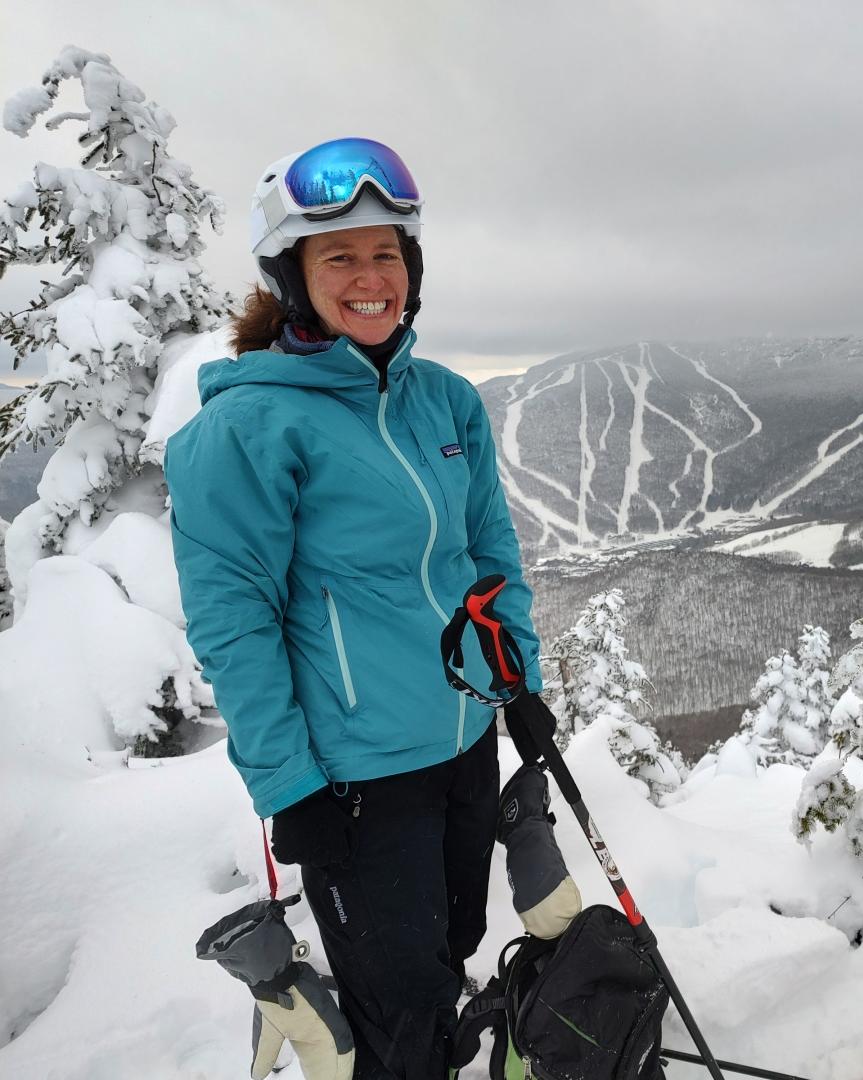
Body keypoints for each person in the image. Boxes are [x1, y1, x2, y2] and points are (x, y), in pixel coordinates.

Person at [165, 137, 546, 1079]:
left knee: (451, 946)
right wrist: (286, 787)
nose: (370, 277)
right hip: (356, 780)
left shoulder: (447, 403)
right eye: (339, 256)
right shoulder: (245, 429)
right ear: (291, 275)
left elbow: (490, 562)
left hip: (463, 742)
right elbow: (235, 623)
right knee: (400, 1017)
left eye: (387, 253)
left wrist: (520, 685)